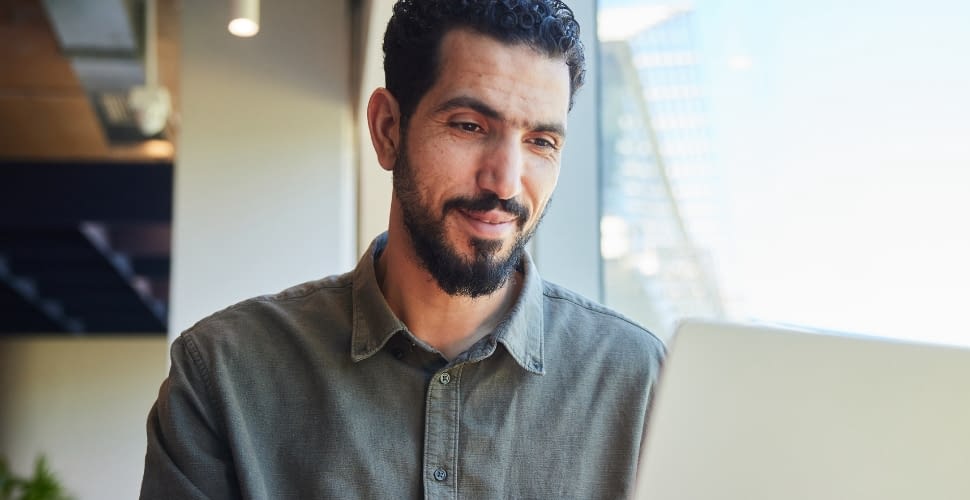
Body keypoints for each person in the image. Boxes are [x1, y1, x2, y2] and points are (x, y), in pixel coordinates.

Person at [139, 1, 665, 498]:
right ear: (388, 130)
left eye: (541, 142)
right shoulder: (223, 374)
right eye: (470, 126)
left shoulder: (641, 383)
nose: (505, 181)